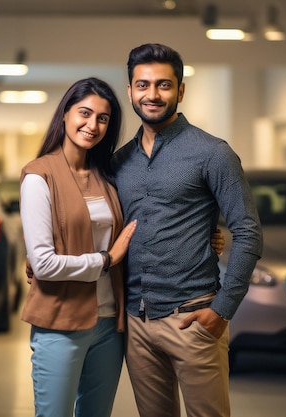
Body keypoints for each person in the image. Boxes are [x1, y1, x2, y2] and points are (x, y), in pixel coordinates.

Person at [111, 43, 263, 417]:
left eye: (163, 85)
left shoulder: (213, 153)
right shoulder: (119, 162)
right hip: (136, 322)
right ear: (130, 90)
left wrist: (222, 311)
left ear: (180, 90)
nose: (152, 94)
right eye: (142, 85)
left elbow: (248, 232)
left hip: (194, 318)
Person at [19, 77, 137, 417]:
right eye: (85, 113)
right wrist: (105, 259)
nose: (93, 124)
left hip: (109, 324)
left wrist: (210, 237)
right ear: (66, 114)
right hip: (60, 323)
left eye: (103, 118)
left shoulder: (107, 176)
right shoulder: (39, 177)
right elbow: (42, 264)